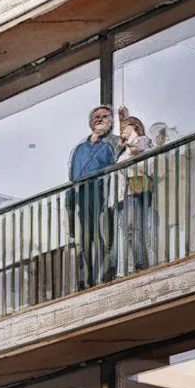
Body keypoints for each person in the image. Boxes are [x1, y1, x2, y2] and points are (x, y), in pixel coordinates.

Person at [69, 105, 119, 288]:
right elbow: (73, 175)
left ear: (111, 122)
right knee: (84, 238)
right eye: (96, 116)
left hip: (102, 194)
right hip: (82, 195)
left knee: (101, 235)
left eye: (104, 116)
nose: (99, 119)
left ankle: (102, 276)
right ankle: (85, 280)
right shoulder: (80, 149)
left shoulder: (110, 145)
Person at [117, 112, 156, 273]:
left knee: (138, 227)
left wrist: (127, 146)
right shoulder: (126, 148)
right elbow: (120, 164)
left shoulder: (142, 140)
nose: (122, 131)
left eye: (124, 128)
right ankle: (134, 263)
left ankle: (140, 262)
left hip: (139, 186)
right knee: (130, 229)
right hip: (129, 190)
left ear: (134, 126)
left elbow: (139, 152)